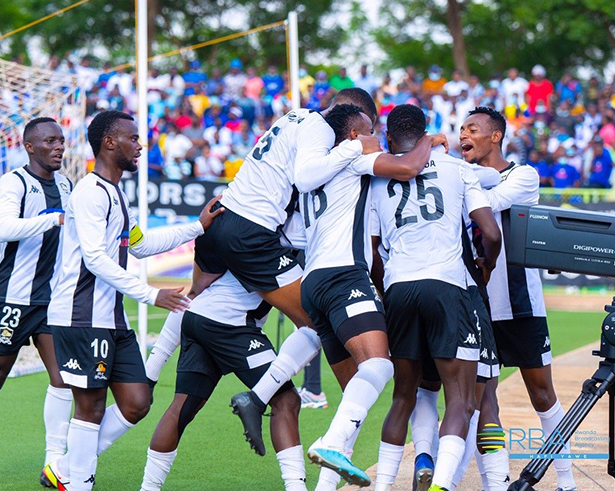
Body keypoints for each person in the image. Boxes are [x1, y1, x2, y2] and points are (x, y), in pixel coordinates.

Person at [143, 88, 443, 460]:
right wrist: (363, 147)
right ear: (352, 121)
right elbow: (306, 177)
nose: (372, 138)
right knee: (323, 322)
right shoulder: (326, 135)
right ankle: (282, 406)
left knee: (195, 295)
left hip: (225, 217)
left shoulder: (295, 119)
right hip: (253, 234)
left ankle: (150, 373)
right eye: (368, 129)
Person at [40, 110, 223, 491]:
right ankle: (77, 482)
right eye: (133, 138)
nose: (141, 145)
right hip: (81, 316)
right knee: (90, 407)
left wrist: (197, 227)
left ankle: (65, 468)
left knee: (137, 402)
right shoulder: (90, 192)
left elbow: (140, 245)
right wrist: (151, 294)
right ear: (109, 142)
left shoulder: (116, 194)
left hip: (111, 318)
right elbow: (94, 258)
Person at [300, 104, 451, 488]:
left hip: (312, 281)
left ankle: (325, 480)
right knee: (380, 365)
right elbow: (409, 166)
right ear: (353, 135)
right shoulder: (353, 160)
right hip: (344, 275)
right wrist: (430, 139)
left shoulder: (315, 168)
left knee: (355, 397)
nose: (376, 137)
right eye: (369, 130)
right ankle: (330, 442)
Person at [370, 104, 501, 491]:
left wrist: (387, 289)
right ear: (427, 132)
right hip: (447, 285)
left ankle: (383, 486)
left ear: (389, 139)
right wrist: (487, 265)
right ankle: (442, 484)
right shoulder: (456, 168)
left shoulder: (377, 178)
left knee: (403, 397)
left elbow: (372, 252)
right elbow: (491, 233)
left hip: (399, 285)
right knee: (461, 399)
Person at [139, 215, 308, 491]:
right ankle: (296, 487)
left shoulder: (243, 231)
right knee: (286, 400)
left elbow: (192, 299)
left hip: (200, 319)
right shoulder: (288, 237)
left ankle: (148, 488)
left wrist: (151, 372)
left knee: (182, 408)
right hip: (232, 325)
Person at [460, 106, 578, 491]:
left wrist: (458, 180)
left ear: (495, 136)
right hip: (478, 307)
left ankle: (566, 482)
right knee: (482, 400)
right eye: (461, 129)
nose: (463, 135)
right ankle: (495, 482)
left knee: (543, 395)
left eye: (472, 129)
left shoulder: (523, 175)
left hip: (520, 304)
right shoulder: (462, 177)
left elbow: (489, 204)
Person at [0, 118, 73, 486]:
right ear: (30, 146)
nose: (58, 147)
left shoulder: (67, 185)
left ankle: (54, 463)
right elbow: (3, 228)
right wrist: (51, 219)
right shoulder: (14, 182)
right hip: (13, 299)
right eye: (50, 141)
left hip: (52, 301)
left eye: (61, 140)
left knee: (63, 379)